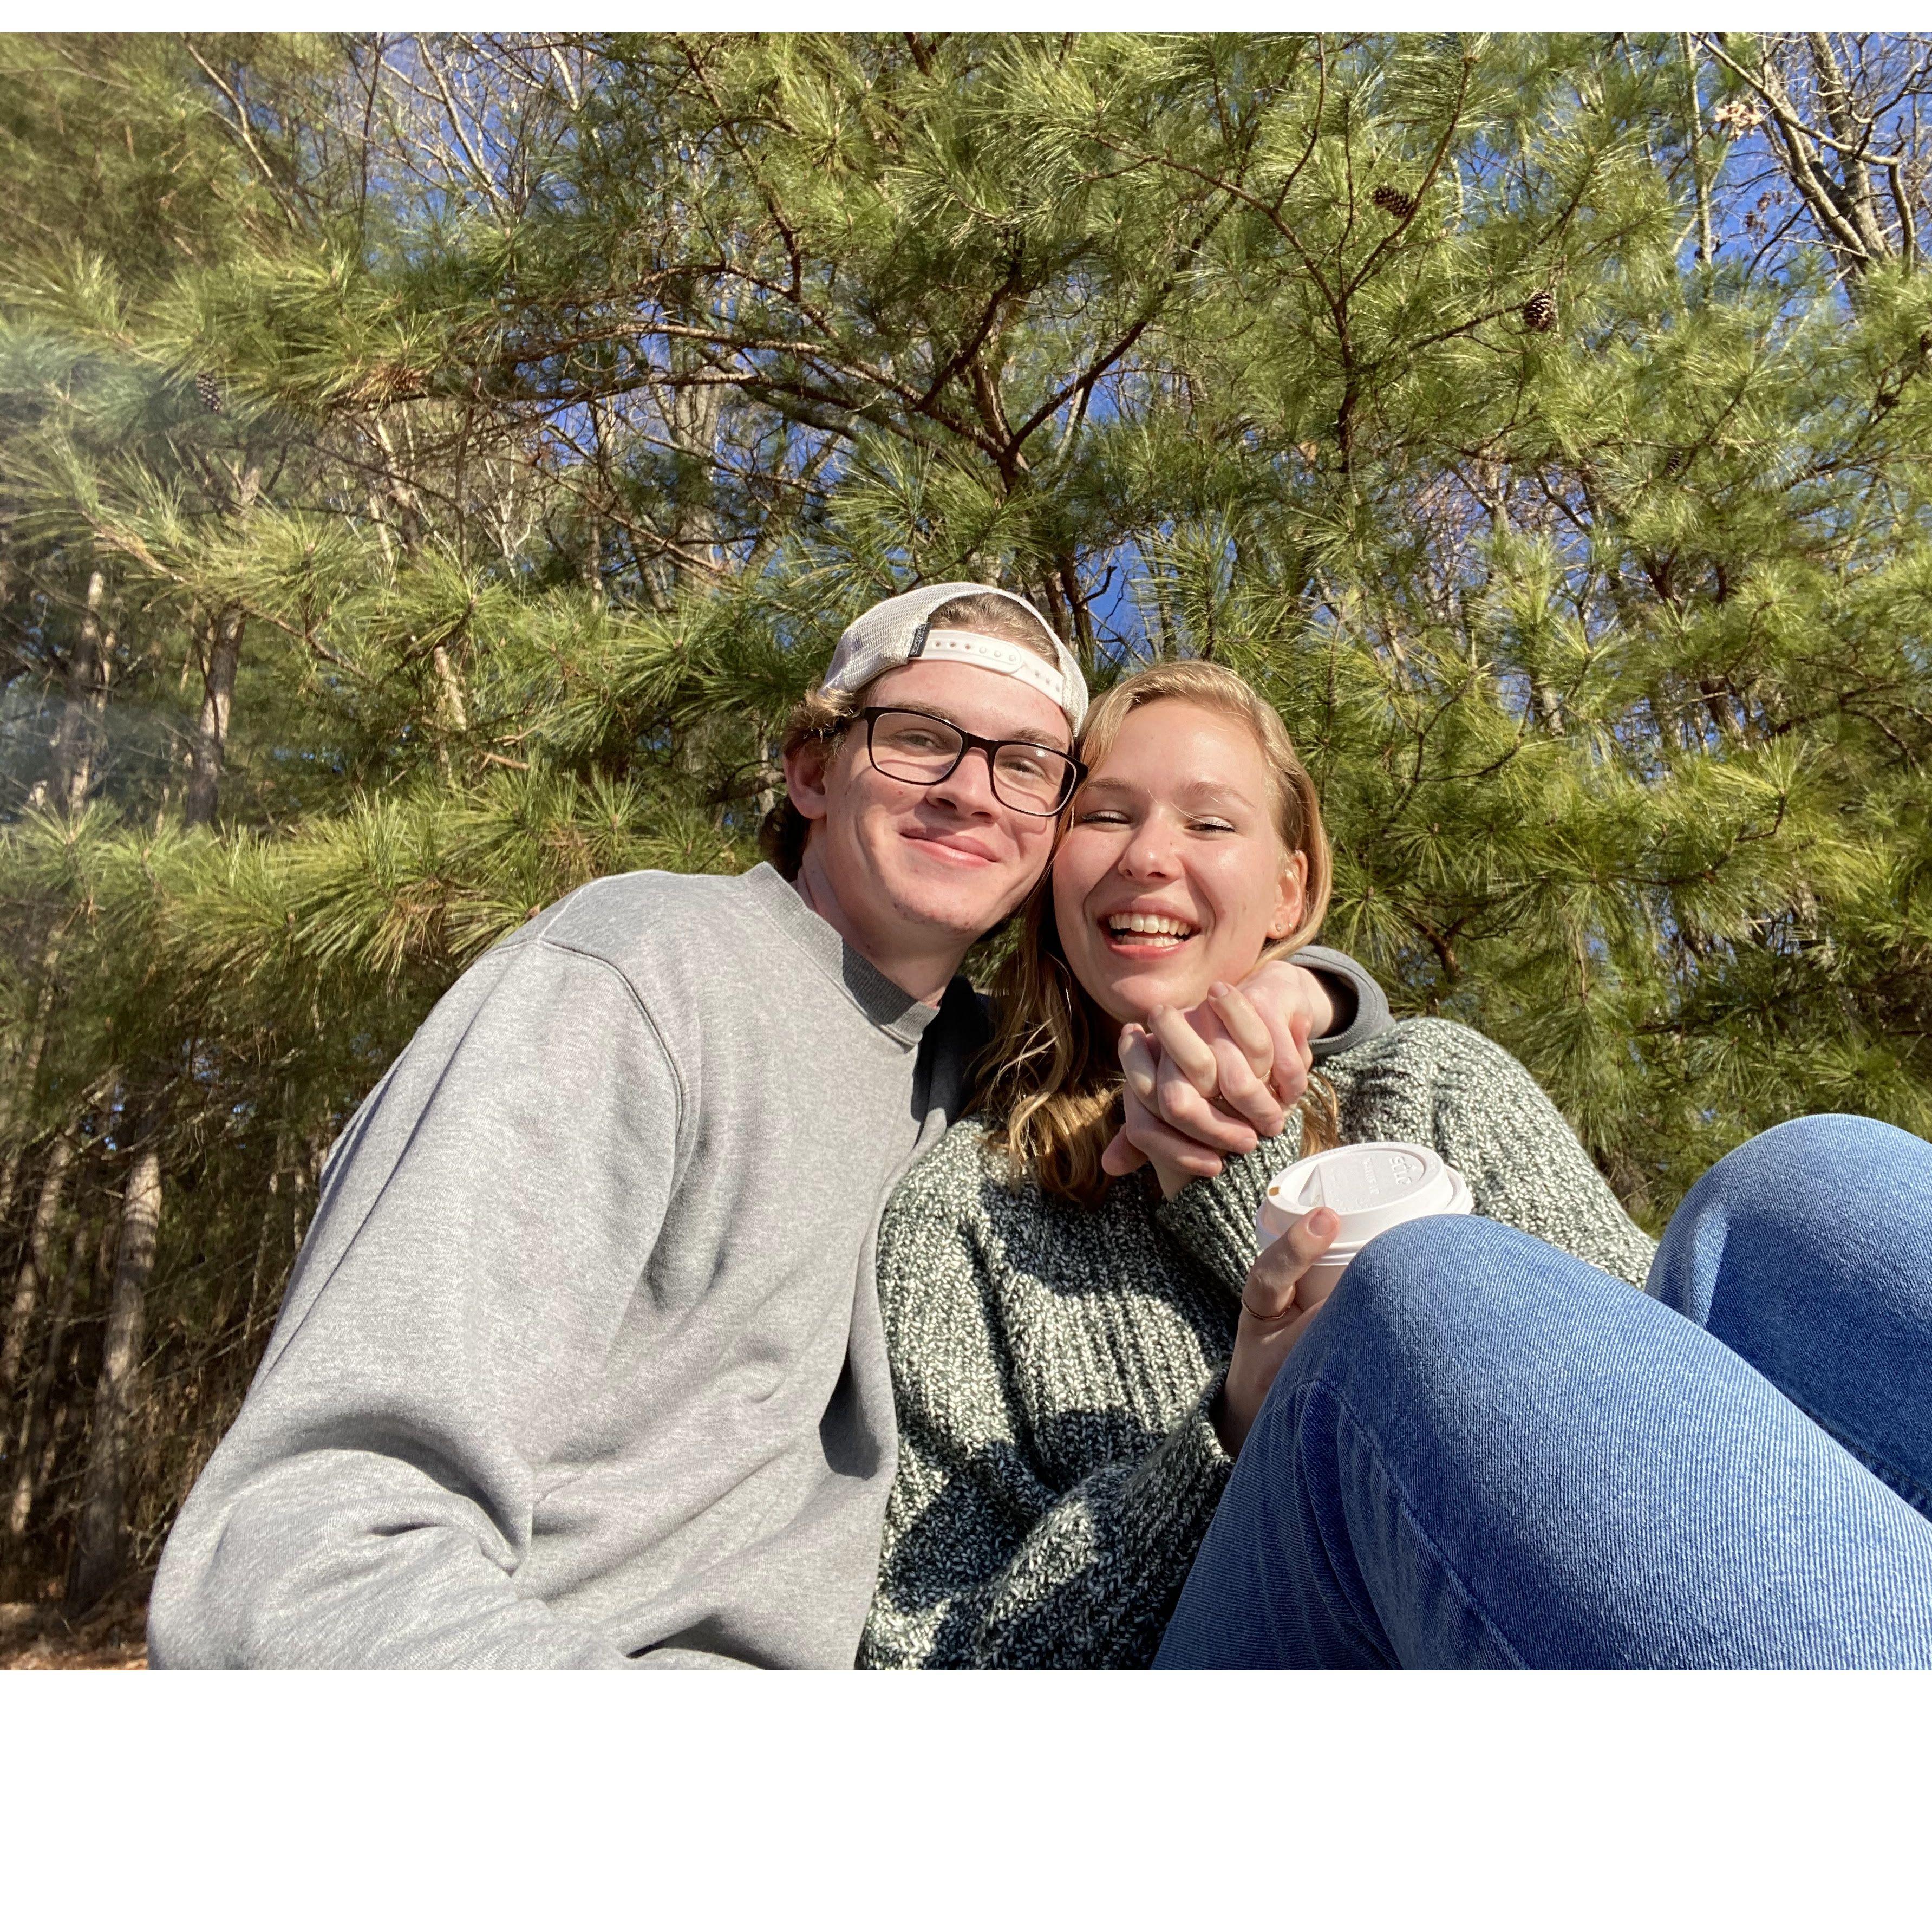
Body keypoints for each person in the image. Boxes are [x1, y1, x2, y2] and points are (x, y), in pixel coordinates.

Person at [147, 585, 1387, 1669]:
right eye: (918, 739)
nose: (970, 789)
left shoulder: (992, 1080)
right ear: (810, 770)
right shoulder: (638, 975)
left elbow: (1251, 1003)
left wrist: (1304, 991)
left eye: (1026, 766)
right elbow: (308, 1541)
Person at [860, 660, 1932, 1670]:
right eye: (1105, 816)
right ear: (1053, 879)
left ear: (1291, 894)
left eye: (1212, 825)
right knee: (1417, 1292)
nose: (1151, 854)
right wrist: (1238, 1429)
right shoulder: (966, 1218)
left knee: (1802, 1190)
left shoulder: (1432, 1081)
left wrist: (1261, 1128)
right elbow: (934, 1671)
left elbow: (1666, 1428)